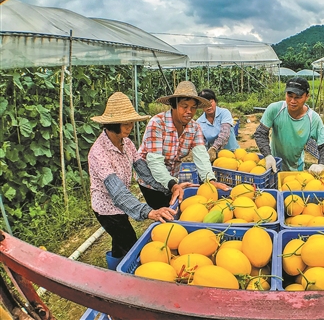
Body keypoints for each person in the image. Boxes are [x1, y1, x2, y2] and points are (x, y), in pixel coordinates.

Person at [88, 92, 189, 268]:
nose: (130, 128)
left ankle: (115, 267)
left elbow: (143, 170)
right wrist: (148, 212)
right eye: (126, 124)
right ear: (112, 124)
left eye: (131, 123)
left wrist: (170, 185)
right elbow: (118, 193)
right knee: (129, 243)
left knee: (119, 239)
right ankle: (122, 275)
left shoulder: (126, 142)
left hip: (120, 206)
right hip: (107, 209)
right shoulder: (99, 153)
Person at [138, 81, 231, 209]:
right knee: (164, 212)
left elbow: (201, 155)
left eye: (193, 107)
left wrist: (210, 180)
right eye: (184, 106)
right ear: (174, 105)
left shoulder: (195, 127)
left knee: (175, 210)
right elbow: (154, 162)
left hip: (173, 179)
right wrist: (172, 185)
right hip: (151, 180)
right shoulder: (157, 123)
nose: (189, 111)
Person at [254, 77, 324, 174]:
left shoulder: (313, 119)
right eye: (289, 95)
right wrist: (268, 155)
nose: (292, 101)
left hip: (295, 170)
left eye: (298, 97)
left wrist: (322, 164)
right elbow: (261, 133)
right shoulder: (275, 109)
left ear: (307, 96)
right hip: (273, 164)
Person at [196, 88, 239, 160]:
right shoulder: (199, 122)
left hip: (233, 154)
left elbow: (225, 133)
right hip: (215, 158)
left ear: (215, 101)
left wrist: (214, 148)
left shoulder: (224, 113)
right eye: (205, 104)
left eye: (210, 102)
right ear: (201, 106)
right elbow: (201, 143)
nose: (208, 106)